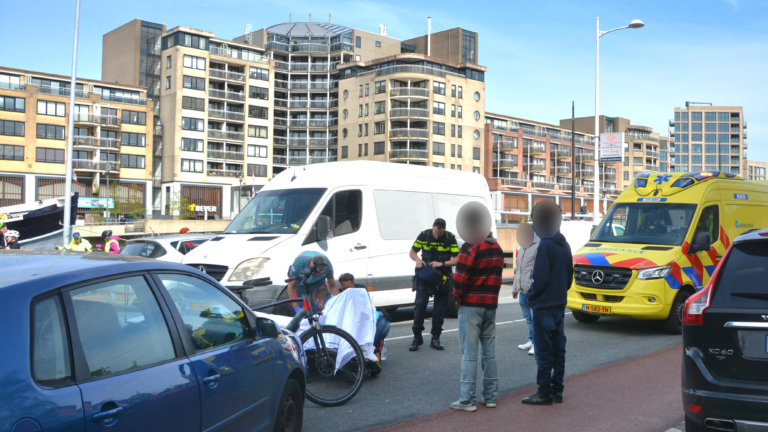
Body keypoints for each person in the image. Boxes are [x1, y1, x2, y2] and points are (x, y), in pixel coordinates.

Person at [522, 200, 573, 406]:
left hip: (543, 306)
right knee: (558, 350)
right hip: (559, 304)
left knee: (544, 351)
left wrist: (532, 296)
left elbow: (540, 278)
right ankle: (557, 390)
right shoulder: (565, 245)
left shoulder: (545, 245)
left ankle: (543, 393)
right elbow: (569, 277)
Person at [451, 231, 505, 412]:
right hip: (490, 306)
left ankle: (467, 399)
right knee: (489, 353)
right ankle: (490, 397)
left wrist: (457, 296)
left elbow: (459, 277)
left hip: (471, 305)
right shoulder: (497, 248)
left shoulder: (471, 246)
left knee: (469, 353)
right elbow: (498, 278)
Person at [409, 218, 460, 351]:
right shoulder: (424, 235)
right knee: (420, 305)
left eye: (440, 234)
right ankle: (417, 337)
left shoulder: (450, 238)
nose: (437, 236)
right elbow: (412, 252)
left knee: (439, 310)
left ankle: (435, 338)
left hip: (442, 277)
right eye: (435, 233)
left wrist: (442, 263)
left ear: (444, 230)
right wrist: (418, 260)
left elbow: (458, 259)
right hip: (425, 276)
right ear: (433, 227)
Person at [339, 273, 391, 365]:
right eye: (344, 288)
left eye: (349, 288)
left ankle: (377, 351)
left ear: (354, 285)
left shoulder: (361, 289)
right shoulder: (339, 293)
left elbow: (365, 306)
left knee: (374, 329)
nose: (347, 291)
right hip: (350, 319)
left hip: (365, 316)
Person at [512, 223, 540, 356]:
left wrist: (535, 285)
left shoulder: (538, 247)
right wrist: (514, 288)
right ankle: (531, 339)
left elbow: (539, 270)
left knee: (535, 317)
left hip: (532, 288)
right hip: (522, 288)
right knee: (528, 317)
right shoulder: (522, 247)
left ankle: (537, 343)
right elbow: (518, 270)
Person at [286, 251, 339, 315]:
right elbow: (291, 287)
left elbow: (332, 286)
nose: (319, 275)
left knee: (318, 305)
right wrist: (296, 308)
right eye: (317, 273)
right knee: (301, 306)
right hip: (300, 280)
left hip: (317, 281)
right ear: (310, 267)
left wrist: (338, 303)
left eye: (321, 274)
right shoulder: (299, 263)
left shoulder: (328, 267)